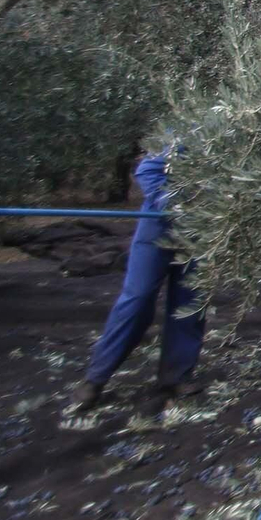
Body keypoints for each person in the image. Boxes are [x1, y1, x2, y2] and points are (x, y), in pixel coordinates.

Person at [72, 148, 205, 411]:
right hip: (158, 229)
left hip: (201, 233)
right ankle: (95, 379)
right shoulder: (186, 131)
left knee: (190, 302)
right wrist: (177, 206)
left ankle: (176, 376)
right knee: (138, 298)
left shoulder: (242, 139)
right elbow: (148, 170)